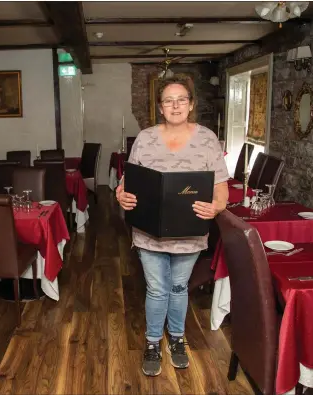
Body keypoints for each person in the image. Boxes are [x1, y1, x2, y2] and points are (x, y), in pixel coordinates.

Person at [116, 74, 229, 376]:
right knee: (156, 289)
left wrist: (217, 206)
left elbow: (221, 188)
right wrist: (121, 195)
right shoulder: (145, 138)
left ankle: (177, 339)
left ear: (191, 104)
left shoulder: (207, 139)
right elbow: (128, 182)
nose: (175, 105)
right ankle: (153, 342)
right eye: (169, 100)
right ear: (160, 107)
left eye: (181, 99)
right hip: (148, 233)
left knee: (179, 288)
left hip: (190, 233)